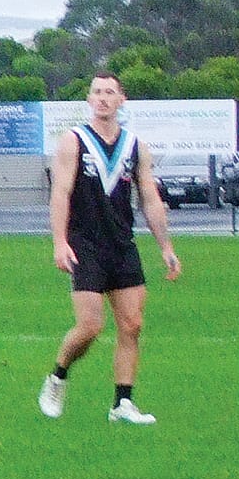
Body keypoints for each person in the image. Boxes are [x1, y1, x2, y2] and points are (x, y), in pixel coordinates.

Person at [39, 73, 181, 425]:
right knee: (89, 326)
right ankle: (57, 376)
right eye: (97, 92)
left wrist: (166, 247)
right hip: (84, 245)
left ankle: (123, 404)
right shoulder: (73, 142)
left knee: (131, 325)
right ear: (89, 99)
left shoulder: (135, 146)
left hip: (122, 245)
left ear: (122, 100)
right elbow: (61, 194)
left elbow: (149, 197)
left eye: (109, 92)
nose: (102, 98)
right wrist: (59, 242)